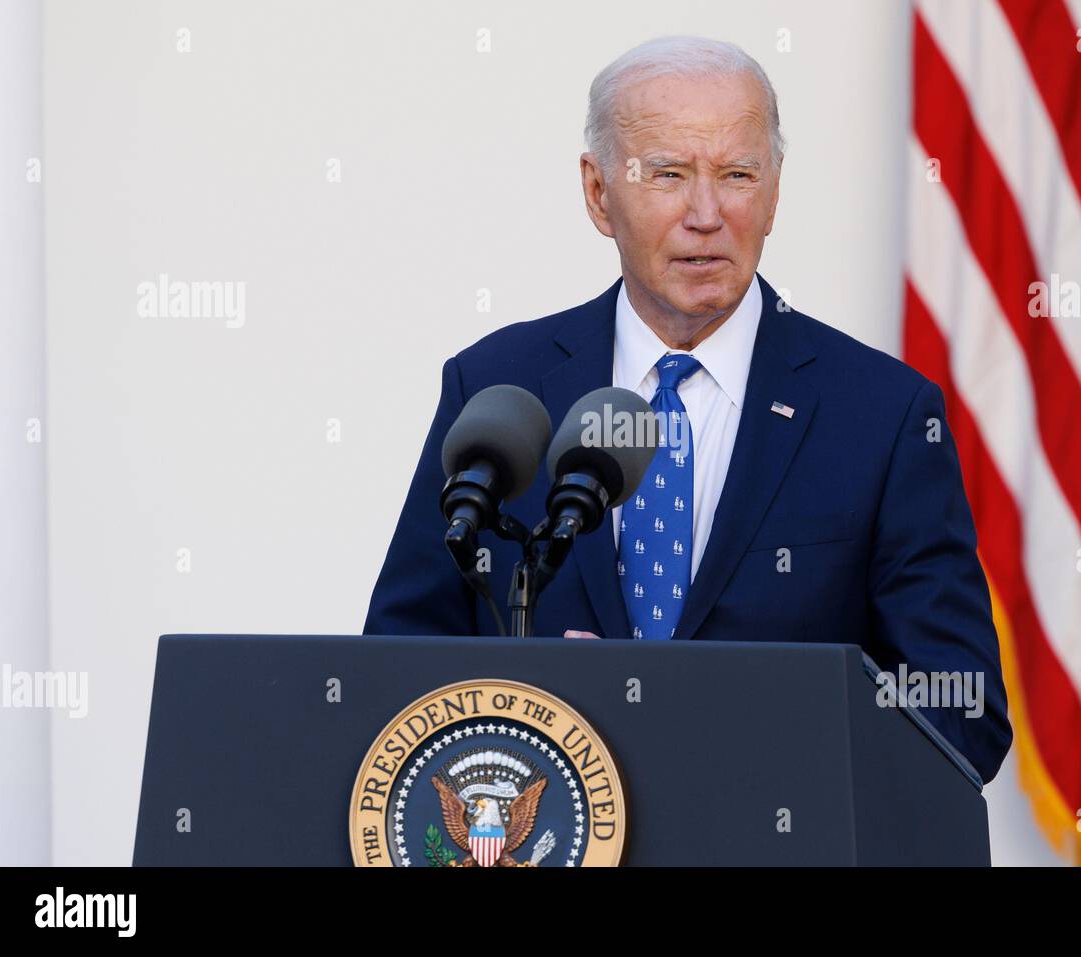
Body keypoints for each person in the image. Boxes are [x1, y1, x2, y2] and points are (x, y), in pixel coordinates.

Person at [364, 35, 1011, 784]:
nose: (707, 214)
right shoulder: (499, 390)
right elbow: (394, 676)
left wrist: (715, 723)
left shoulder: (883, 416)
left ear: (773, 191)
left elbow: (963, 714)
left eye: (738, 174)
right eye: (668, 175)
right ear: (599, 193)